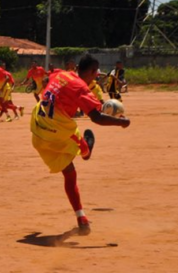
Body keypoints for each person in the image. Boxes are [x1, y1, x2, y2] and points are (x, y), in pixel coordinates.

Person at [30, 54, 130, 236]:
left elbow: (46, 79)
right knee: (78, 155)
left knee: (69, 170)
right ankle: (86, 151)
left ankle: (82, 218)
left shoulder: (61, 74)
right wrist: (121, 123)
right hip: (58, 131)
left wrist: (56, 95)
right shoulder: (81, 88)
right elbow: (97, 118)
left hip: (37, 129)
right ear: (92, 72)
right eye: (96, 73)